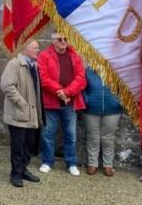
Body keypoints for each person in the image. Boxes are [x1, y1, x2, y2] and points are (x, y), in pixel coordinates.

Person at [37, 31, 86, 176]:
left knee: (71, 134)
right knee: (48, 133)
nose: (63, 41)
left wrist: (67, 93)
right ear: (53, 41)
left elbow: (81, 78)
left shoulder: (75, 56)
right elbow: (44, 78)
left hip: (70, 103)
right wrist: (60, 91)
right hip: (51, 103)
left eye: (65, 39)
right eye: (60, 39)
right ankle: (47, 161)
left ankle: (71, 163)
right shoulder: (44, 56)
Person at [0, 39, 44, 188]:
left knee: (28, 145)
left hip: (31, 114)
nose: (38, 50)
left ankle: (23, 169)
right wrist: (22, 103)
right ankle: (16, 173)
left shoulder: (34, 65)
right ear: (25, 50)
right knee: (18, 146)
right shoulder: (15, 64)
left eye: (38, 48)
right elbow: (6, 85)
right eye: (35, 48)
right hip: (19, 113)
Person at [82, 66, 123, 177]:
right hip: (91, 109)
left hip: (112, 109)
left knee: (108, 138)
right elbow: (83, 88)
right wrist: (87, 100)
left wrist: (117, 102)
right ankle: (92, 163)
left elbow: (124, 89)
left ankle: (108, 165)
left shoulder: (117, 71)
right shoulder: (88, 72)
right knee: (92, 137)